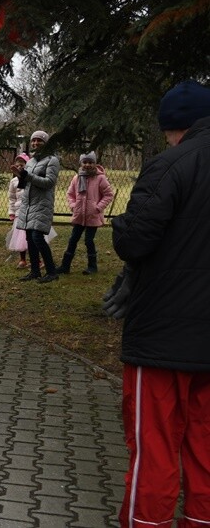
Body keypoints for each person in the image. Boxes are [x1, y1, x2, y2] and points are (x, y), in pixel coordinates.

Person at [105, 79, 210, 528]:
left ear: (175, 127)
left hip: (164, 335)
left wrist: (124, 225)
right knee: (206, 448)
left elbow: (136, 240)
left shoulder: (171, 165)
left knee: (155, 446)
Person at [12, 130, 61, 283]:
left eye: (39, 140)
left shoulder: (52, 160)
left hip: (42, 203)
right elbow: (26, 182)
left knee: (37, 237)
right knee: (29, 238)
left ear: (46, 143)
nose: (35, 143)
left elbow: (49, 182)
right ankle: (35, 271)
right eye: (33, 140)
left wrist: (28, 176)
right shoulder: (31, 161)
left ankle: (52, 271)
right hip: (28, 203)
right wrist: (20, 176)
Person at [57, 151, 114, 275]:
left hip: (92, 215)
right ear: (81, 163)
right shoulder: (77, 178)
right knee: (73, 240)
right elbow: (70, 194)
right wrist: (73, 206)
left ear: (95, 163)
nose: (87, 165)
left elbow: (108, 194)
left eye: (90, 162)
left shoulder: (100, 178)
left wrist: (98, 208)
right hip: (79, 215)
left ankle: (92, 266)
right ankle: (65, 266)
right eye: (85, 162)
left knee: (89, 240)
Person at [6, 153, 31, 269]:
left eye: (23, 164)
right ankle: (22, 259)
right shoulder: (13, 181)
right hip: (19, 212)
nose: (20, 167)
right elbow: (12, 197)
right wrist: (11, 211)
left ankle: (37, 259)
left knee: (33, 237)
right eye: (18, 165)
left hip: (30, 211)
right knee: (20, 237)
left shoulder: (30, 179)